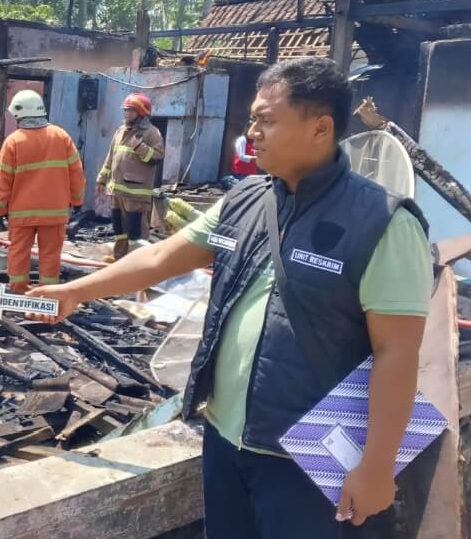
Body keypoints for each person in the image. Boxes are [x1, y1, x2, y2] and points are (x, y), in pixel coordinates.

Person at [29, 57, 432, 538]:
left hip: (308, 455)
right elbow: (162, 258)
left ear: (320, 129)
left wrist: (377, 466)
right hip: (225, 440)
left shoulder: (383, 223)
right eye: (251, 120)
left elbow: (398, 355)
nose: (251, 132)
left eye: (266, 120)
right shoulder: (244, 200)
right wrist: (76, 291)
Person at [0, 90, 84, 292]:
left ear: (20, 114)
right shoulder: (61, 136)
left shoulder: (13, 142)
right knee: (50, 255)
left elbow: (3, 180)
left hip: (22, 213)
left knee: (18, 252)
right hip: (55, 213)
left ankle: (18, 292)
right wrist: (77, 202)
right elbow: (76, 172)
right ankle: (47, 295)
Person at [96, 92, 165, 260]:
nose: (127, 113)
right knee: (119, 230)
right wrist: (102, 179)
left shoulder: (151, 133)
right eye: (126, 110)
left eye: (131, 111)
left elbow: (157, 157)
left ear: (141, 113)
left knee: (136, 233)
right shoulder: (120, 131)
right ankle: (119, 260)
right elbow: (111, 157)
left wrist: (139, 147)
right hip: (117, 193)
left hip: (136, 195)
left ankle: (138, 264)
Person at [222, 121, 259, 189]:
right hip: (240, 173)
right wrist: (255, 158)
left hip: (251, 174)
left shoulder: (255, 142)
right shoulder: (242, 140)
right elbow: (241, 156)